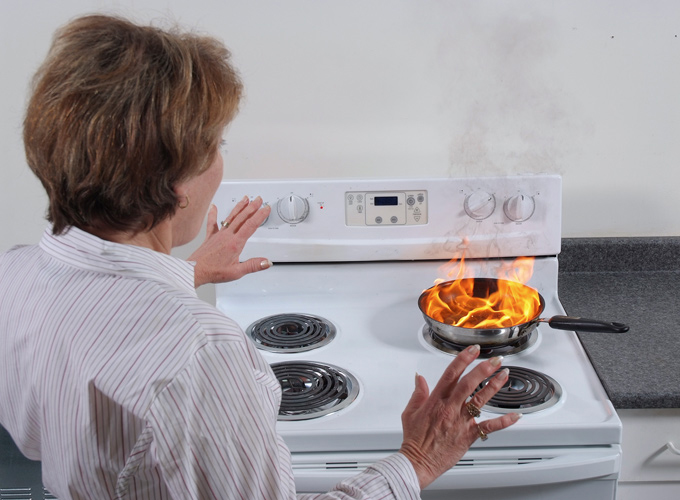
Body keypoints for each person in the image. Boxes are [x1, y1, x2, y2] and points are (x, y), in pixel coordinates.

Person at [0, 14, 520, 499]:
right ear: (177, 185)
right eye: (217, 143)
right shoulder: (204, 353)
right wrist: (416, 459)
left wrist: (187, 272)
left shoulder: (16, 276)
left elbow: (89, 378)